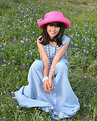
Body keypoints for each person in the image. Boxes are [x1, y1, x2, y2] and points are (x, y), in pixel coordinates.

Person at [15, 11, 80, 120]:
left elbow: (56, 60)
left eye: (57, 26)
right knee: (36, 64)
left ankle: (60, 98)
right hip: (45, 67)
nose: (53, 29)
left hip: (58, 66)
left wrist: (50, 77)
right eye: (51, 25)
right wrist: (45, 78)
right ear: (46, 26)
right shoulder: (40, 40)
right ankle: (39, 95)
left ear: (61, 28)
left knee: (61, 66)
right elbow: (45, 60)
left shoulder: (66, 40)